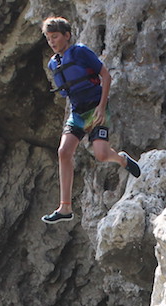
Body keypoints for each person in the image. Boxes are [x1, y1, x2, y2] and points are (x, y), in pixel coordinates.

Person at [41, 17, 141, 225]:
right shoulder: (53, 63)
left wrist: (102, 107)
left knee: (102, 155)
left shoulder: (80, 52)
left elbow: (105, 75)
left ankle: (122, 159)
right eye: (49, 38)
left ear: (66, 36)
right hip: (77, 112)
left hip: (96, 108)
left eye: (55, 37)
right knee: (63, 152)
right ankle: (65, 207)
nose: (52, 41)